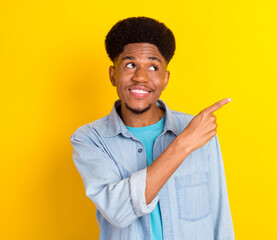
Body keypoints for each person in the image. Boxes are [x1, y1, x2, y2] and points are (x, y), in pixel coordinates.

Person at [71, 16, 234, 240]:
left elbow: (218, 214)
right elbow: (118, 211)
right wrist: (183, 145)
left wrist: (189, 137)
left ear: (165, 79)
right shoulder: (90, 139)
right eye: (130, 65)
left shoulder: (197, 130)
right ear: (112, 74)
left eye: (153, 66)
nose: (140, 77)